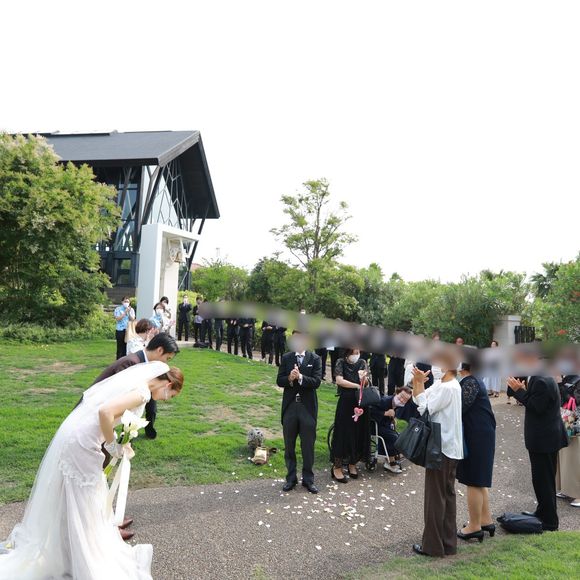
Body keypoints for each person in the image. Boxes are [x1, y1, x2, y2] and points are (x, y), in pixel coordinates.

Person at [0, 361, 183, 579]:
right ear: (168, 385)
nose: (165, 399)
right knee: (86, 499)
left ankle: (67, 554)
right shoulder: (142, 392)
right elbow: (105, 412)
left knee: (75, 497)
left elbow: (109, 414)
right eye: (170, 396)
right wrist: (112, 444)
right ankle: (82, 557)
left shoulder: (138, 386)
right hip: (83, 443)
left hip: (77, 435)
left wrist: (120, 441)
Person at [507, 352, 569, 531]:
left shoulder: (541, 379)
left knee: (544, 480)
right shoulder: (538, 375)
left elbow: (536, 407)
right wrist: (520, 390)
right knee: (541, 479)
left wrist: (520, 391)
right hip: (545, 437)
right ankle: (543, 512)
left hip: (545, 439)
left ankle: (550, 521)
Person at [411, 350, 463, 558]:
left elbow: (425, 407)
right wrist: (418, 383)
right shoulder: (445, 385)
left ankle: (432, 546)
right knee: (446, 496)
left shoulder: (449, 387)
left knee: (435, 497)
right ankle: (448, 544)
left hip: (442, 448)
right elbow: (420, 399)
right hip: (448, 448)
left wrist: (418, 383)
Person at [93, 334, 180, 442]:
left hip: (104, 418)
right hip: (95, 417)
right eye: (167, 358)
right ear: (160, 350)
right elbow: (112, 402)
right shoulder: (131, 363)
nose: (165, 364)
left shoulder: (145, 366)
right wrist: (111, 441)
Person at [277, 331, 322, 494]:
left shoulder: (315, 359)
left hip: (307, 408)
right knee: (289, 445)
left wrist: (301, 377)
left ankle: (308, 479)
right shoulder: (286, 358)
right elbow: (279, 380)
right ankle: (291, 478)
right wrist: (289, 378)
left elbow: (317, 382)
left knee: (308, 446)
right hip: (290, 407)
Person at [456, 364, 497, 541]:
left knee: (473, 480)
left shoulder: (470, 382)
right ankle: (485, 520)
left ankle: (474, 526)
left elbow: (458, 409)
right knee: (479, 481)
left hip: (477, 435)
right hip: (481, 433)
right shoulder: (474, 381)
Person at [330, 348, 371, 483]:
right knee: (342, 433)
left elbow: (367, 383)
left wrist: (363, 379)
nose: (356, 354)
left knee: (357, 432)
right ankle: (337, 466)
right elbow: (339, 380)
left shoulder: (363, 362)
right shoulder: (340, 362)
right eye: (354, 351)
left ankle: (352, 463)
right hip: (346, 402)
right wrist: (356, 385)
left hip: (360, 402)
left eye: (358, 351)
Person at [370, 386, 412, 473]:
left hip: (384, 425)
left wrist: (393, 419)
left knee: (397, 435)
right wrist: (385, 413)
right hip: (374, 425)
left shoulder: (397, 404)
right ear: (396, 393)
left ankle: (391, 457)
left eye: (405, 400)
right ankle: (391, 461)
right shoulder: (384, 401)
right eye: (401, 396)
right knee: (393, 437)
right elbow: (369, 410)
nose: (402, 400)